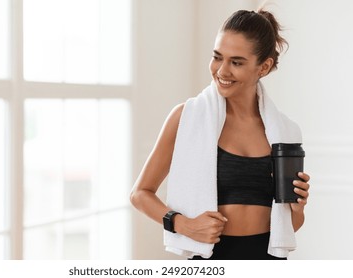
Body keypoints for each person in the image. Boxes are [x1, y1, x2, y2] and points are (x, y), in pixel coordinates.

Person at [130, 9, 311, 260]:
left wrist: (297, 208)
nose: (222, 71)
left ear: (264, 66)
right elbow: (140, 193)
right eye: (217, 57)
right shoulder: (186, 117)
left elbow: (290, 226)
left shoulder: (284, 131)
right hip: (213, 258)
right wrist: (183, 224)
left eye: (236, 62)